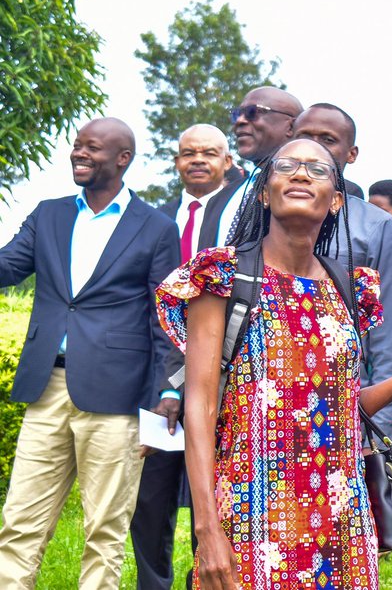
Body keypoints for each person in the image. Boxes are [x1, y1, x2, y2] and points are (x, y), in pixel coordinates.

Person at [155, 137, 392, 589]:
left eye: (317, 169)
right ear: (263, 193)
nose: (300, 174)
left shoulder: (347, 287)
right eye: (287, 166)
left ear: (335, 201)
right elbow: (200, 407)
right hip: (254, 510)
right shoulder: (224, 276)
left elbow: (342, 409)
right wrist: (207, 529)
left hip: (341, 516)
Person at [0, 118, 180, 588]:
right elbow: (9, 265)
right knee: (19, 521)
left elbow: (165, 318)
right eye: (77, 145)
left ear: (123, 158)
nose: (79, 153)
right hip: (46, 387)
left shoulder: (157, 228)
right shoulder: (49, 214)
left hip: (118, 395)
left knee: (104, 529)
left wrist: (168, 389)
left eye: (92, 147)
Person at [132, 122, 233, 590]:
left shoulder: (241, 219)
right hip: (156, 376)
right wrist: (168, 383)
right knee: (150, 500)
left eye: (209, 153)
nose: (198, 160)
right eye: (189, 153)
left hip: (221, 377)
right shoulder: (156, 221)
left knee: (210, 498)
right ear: (176, 162)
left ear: (227, 162)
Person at [293, 103, 392, 438]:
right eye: (305, 137)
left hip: (343, 401)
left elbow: (386, 338)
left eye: (327, 140)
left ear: (351, 153)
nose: (314, 149)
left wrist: (378, 431)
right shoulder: (259, 216)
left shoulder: (377, 226)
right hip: (264, 399)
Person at [196, 85, 302, 249]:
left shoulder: (308, 192)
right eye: (236, 114)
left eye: (253, 112)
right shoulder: (218, 200)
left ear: (290, 127)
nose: (240, 121)